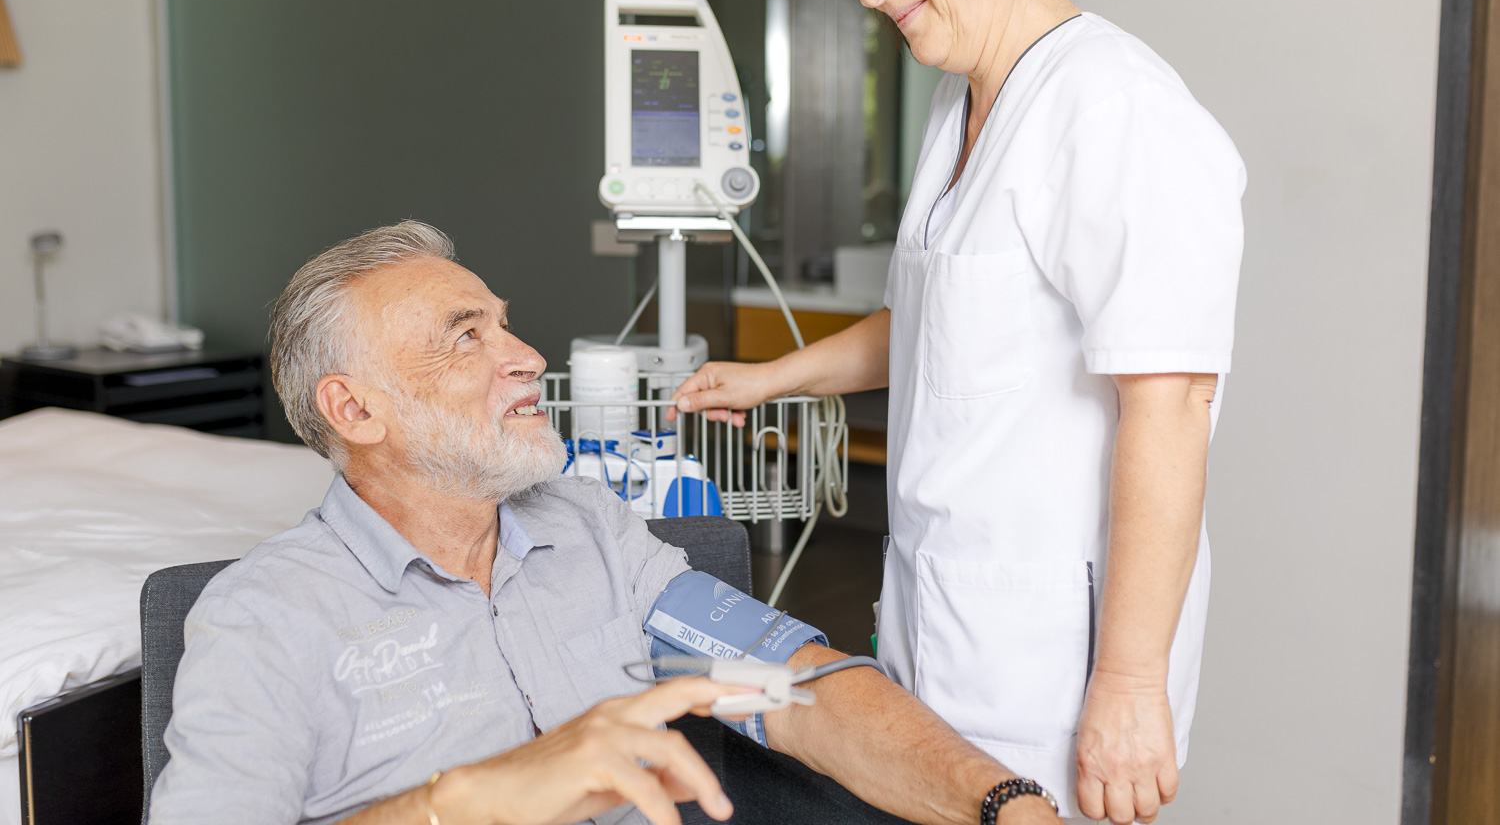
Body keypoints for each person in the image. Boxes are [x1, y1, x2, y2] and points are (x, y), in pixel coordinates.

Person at [669, 0, 1246, 823]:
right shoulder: (958, 104)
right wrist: (768, 379)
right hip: (938, 626)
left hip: (1053, 667)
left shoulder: (1114, 109)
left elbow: (1172, 401)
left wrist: (1130, 682)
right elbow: (936, 322)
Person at [147, 221, 1063, 825]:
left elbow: (790, 685)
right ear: (354, 410)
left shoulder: (591, 529)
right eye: (467, 337)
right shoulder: (266, 617)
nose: (526, 356)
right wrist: (472, 798)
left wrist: (1003, 800)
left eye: (505, 325)